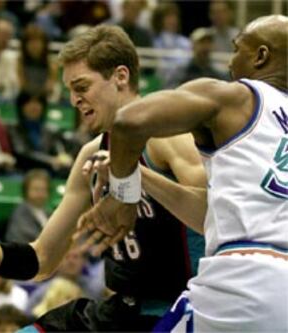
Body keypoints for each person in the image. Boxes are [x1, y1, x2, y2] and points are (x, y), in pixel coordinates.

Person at [0, 25, 207, 332]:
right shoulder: (91, 154)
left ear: (120, 77)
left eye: (82, 87)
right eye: (70, 90)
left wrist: (137, 176)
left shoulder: (167, 136)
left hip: (182, 309)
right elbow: (41, 260)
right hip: (122, 311)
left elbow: (210, 214)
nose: (73, 100)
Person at [78, 15, 288, 332]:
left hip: (244, 279)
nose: (230, 62)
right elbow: (208, 212)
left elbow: (129, 121)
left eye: (236, 49)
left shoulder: (235, 97)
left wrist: (124, 195)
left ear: (260, 56)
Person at [5, 169, 50, 244]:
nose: (40, 194)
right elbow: (24, 236)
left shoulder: (47, 212)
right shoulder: (20, 212)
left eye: (43, 189)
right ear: (26, 191)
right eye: (36, 189)